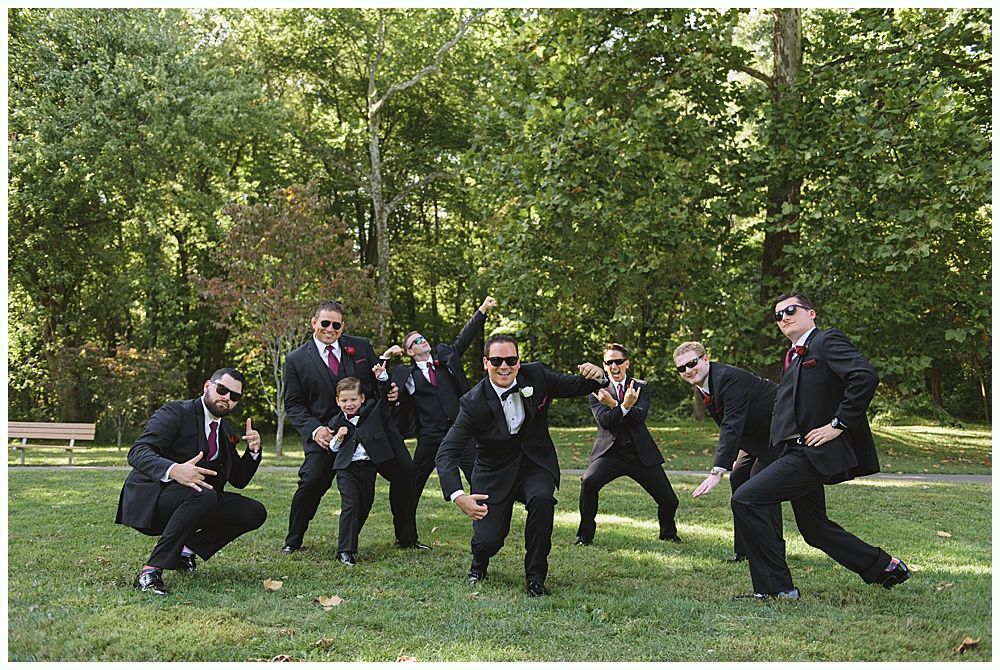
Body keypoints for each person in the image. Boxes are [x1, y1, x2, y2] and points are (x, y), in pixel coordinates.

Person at [731, 292, 911, 599]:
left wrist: (837, 425)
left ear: (810, 313)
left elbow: (864, 376)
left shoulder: (826, 341)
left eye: (790, 310)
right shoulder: (792, 356)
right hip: (789, 451)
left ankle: (778, 591)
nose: (784, 317)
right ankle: (885, 567)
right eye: (778, 315)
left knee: (747, 499)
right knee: (814, 528)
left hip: (811, 452)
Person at [435, 334, 606, 597]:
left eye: (511, 360)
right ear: (485, 362)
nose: (504, 366)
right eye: (496, 360)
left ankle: (535, 578)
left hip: (534, 465)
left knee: (542, 500)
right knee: (488, 541)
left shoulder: (536, 376)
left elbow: (577, 386)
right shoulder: (472, 402)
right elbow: (447, 452)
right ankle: (479, 564)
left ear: (519, 361)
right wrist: (458, 496)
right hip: (493, 473)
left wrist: (598, 375)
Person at [282, 300, 426, 555]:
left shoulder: (360, 346)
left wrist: (391, 391)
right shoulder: (295, 360)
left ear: (342, 326)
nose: (330, 328)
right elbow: (294, 404)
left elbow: (378, 380)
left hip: (373, 429)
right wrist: (316, 431)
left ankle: (407, 538)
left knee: (406, 472)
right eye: (324, 323)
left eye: (336, 324)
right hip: (328, 434)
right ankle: (293, 540)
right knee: (312, 481)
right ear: (314, 323)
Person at [116, 368, 266, 596]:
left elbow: (239, 479)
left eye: (234, 396)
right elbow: (138, 452)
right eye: (222, 390)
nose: (226, 397)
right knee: (203, 494)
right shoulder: (176, 412)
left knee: (254, 511)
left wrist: (253, 452)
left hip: (198, 500)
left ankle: (185, 552)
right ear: (207, 386)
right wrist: (174, 470)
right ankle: (150, 571)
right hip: (154, 499)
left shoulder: (225, 430)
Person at [673, 341, 781, 562]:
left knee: (760, 487)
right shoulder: (704, 384)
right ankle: (744, 551)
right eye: (681, 368)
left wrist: (717, 471)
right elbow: (729, 425)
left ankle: (773, 552)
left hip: (777, 433)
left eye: (691, 363)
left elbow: (731, 424)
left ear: (706, 358)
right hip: (753, 437)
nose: (687, 371)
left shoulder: (728, 378)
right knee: (740, 478)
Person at [385, 296, 498, 506]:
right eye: (416, 341)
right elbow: (380, 381)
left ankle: (487, 527)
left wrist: (482, 310)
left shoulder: (446, 360)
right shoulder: (405, 375)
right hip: (430, 436)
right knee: (412, 482)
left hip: (461, 429)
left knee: (479, 477)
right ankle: (406, 536)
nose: (422, 340)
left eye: (422, 337)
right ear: (410, 351)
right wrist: (387, 356)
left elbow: (464, 337)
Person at [575, 343, 680, 546]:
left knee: (670, 501)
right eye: (609, 362)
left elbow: (639, 417)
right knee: (588, 482)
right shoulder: (596, 390)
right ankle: (585, 536)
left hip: (640, 453)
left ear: (627, 363)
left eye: (618, 362)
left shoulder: (641, 386)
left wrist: (616, 405)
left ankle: (668, 533)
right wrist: (625, 406)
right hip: (610, 453)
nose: (614, 366)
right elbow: (605, 421)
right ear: (604, 366)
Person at [327, 367, 397, 566]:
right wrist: (338, 437)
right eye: (344, 401)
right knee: (350, 505)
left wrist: (382, 378)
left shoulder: (374, 411)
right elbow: (332, 448)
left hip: (368, 467)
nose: (349, 404)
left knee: (365, 503)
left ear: (362, 399)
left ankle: (348, 536)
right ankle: (345, 551)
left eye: (353, 400)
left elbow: (385, 398)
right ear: (338, 401)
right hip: (346, 468)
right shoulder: (337, 421)